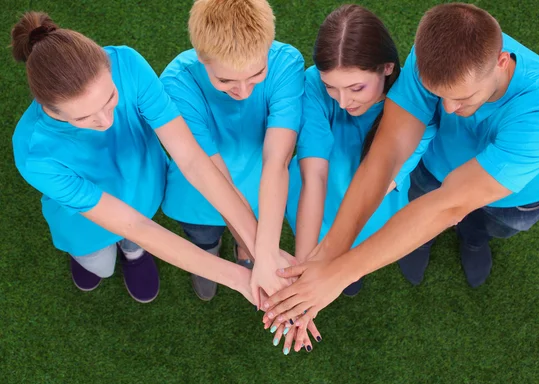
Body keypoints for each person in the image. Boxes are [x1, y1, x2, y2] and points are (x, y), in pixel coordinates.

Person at [262, 2, 539, 334]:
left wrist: (338, 274)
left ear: (501, 63)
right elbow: (386, 155)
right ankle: (423, 240)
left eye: (462, 98)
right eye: (437, 95)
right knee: (424, 207)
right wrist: (325, 254)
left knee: (478, 225)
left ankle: (473, 241)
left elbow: (452, 203)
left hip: (511, 200)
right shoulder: (432, 52)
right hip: (436, 169)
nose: (448, 109)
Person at [11, 11, 260, 304]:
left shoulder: (127, 64)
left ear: (109, 69)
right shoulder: (34, 152)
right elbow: (132, 225)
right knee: (99, 267)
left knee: (136, 237)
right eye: (84, 117)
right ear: (46, 106)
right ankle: (97, 256)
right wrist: (239, 278)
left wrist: (260, 249)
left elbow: (192, 159)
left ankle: (133, 251)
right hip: (86, 223)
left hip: (142, 191)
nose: (106, 121)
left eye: (111, 98)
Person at [285, 4, 435, 299]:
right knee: (329, 260)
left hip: (373, 206)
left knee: (354, 261)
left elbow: (379, 186)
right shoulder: (312, 84)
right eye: (331, 88)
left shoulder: (418, 110)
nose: (342, 102)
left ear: (387, 67)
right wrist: (304, 268)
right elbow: (314, 175)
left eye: (356, 88)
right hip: (315, 199)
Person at [159, 0, 300, 305]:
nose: (244, 92)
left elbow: (278, 160)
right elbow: (211, 175)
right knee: (202, 235)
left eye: (256, 74)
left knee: (251, 242)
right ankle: (208, 257)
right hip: (199, 189)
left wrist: (260, 253)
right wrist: (263, 253)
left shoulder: (287, 63)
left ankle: (243, 254)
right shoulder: (176, 82)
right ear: (201, 57)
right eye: (225, 80)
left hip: (263, 186)